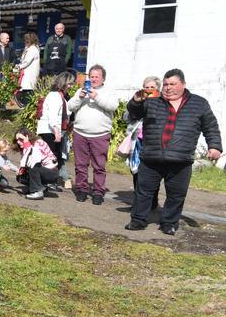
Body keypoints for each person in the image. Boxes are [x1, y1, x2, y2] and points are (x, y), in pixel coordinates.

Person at [125, 68, 222, 235]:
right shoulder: (152, 100)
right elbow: (134, 113)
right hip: (151, 157)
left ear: (183, 84)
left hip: (181, 159)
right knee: (144, 192)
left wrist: (215, 146)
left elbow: (210, 126)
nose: (168, 87)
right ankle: (138, 221)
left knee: (176, 195)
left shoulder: (199, 103)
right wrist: (136, 100)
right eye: (166, 84)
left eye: (173, 84)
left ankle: (169, 223)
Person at [67, 64, 119, 204]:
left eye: (97, 77)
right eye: (92, 76)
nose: (94, 79)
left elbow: (113, 106)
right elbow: (70, 107)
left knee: (99, 166)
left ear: (103, 78)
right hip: (80, 133)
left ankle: (98, 192)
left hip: (100, 134)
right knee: (80, 165)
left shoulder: (109, 91)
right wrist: (80, 96)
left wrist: (96, 97)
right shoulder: (81, 90)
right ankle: (82, 189)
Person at [124, 76, 162, 209]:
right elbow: (126, 116)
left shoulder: (163, 102)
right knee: (137, 173)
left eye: (153, 87)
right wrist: (137, 104)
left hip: (154, 143)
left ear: (158, 88)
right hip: (138, 142)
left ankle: (152, 202)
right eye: (147, 87)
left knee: (153, 174)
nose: (149, 90)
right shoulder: (138, 99)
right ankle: (139, 202)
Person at [35, 71, 73, 189]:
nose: (71, 86)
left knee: (55, 156)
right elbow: (53, 115)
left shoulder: (64, 97)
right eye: (70, 84)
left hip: (56, 130)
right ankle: (47, 181)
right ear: (63, 83)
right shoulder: (54, 96)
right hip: (49, 130)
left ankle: (50, 180)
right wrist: (57, 132)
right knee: (50, 157)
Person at [14, 128, 59, 200]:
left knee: (33, 167)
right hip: (42, 170)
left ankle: (37, 191)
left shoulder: (38, 143)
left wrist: (26, 143)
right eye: (17, 140)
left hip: (51, 172)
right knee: (20, 176)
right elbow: (25, 163)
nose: (18, 142)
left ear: (27, 137)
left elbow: (34, 161)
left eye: (21, 139)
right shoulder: (26, 147)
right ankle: (41, 187)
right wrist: (21, 170)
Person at [15, 33, 40, 107]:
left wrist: (18, 67)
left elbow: (26, 62)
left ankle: (27, 108)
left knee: (28, 92)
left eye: (27, 39)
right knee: (25, 90)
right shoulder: (28, 48)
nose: (25, 41)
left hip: (30, 74)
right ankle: (26, 107)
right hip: (27, 74)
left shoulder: (33, 49)